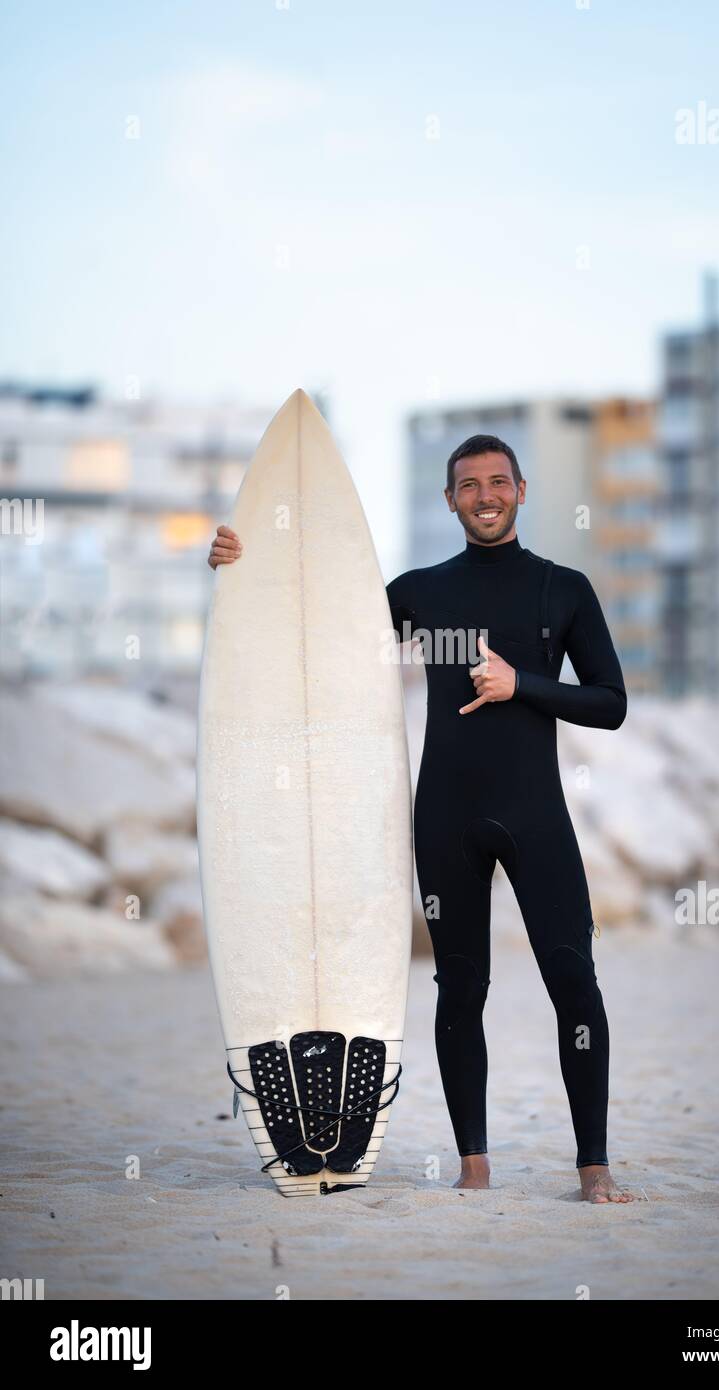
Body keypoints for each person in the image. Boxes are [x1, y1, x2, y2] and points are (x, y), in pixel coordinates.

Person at [208, 433, 634, 1204]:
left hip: (534, 815)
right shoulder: (418, 593)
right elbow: (318, 627)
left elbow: (610, 703)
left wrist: (521, 683)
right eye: (468, 485)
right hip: (444, 819)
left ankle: (592, 1167)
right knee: (458, 988)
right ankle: (474, 1164)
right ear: (449, 500)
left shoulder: (562, 589)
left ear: (521, 490)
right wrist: (243, 567)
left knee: (573, 981)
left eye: (497, 482)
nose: (484, 496)